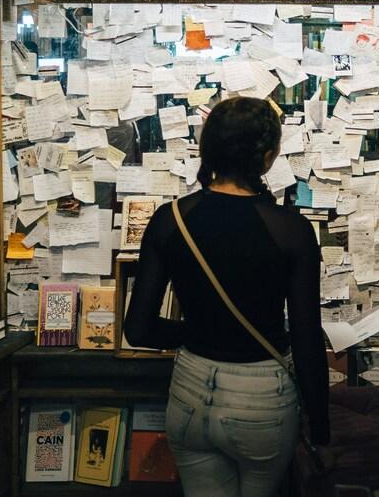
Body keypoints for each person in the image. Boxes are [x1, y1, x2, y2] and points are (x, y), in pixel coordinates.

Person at [124, 96, 329, 497]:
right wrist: (321, 433)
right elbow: (307, 340)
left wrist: (192, 332)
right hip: (261, 398)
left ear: (209, 148)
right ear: (267, 156)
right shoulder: (291, 230)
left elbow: (138, 330)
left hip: (190, 391)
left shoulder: (171, 220)